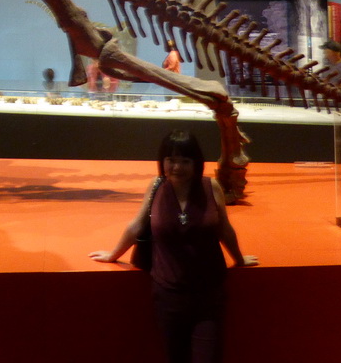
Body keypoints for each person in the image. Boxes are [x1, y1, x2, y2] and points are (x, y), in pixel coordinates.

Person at [89, 130, 257, 362]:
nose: (176, 167)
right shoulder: (157, 187)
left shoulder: (211, 187)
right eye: (171, 160)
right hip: (168, 295)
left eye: (185, 161)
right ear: (162, 161)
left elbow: (224, 228)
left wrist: (238, 259)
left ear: (196, 162)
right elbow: (137, 225)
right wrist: (113, 255)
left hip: (208, 294)